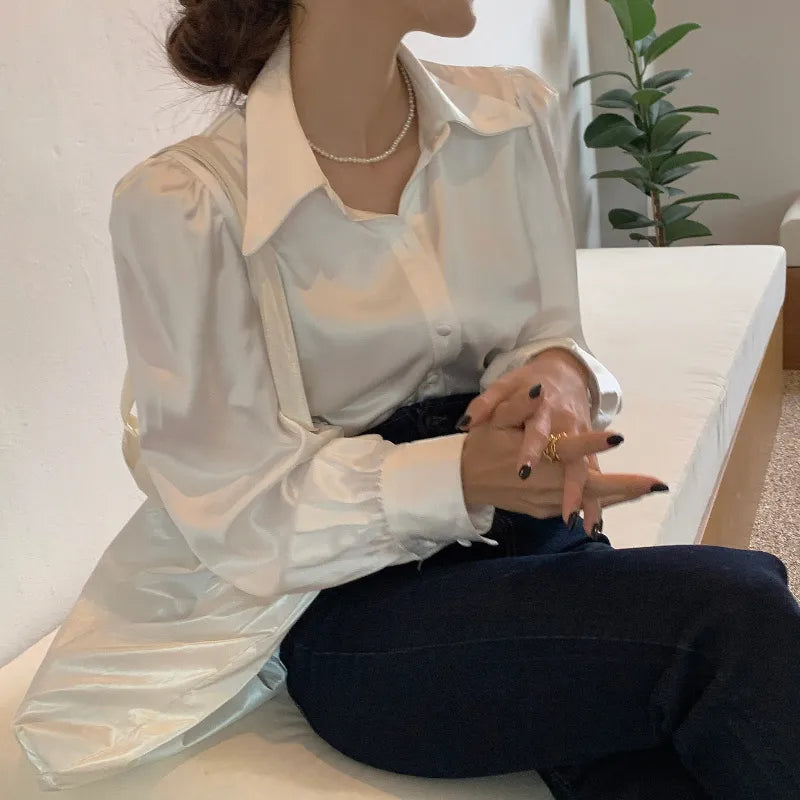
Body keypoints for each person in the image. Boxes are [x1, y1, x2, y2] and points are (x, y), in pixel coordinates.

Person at [13, 1, 800, 798]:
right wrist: (458, 475)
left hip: (535, 540)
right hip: (360, 604)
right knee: (735, 611)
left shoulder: (507, 120)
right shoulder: (192, 202)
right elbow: (235, 501)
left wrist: (560, 377)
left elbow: (546, 330)